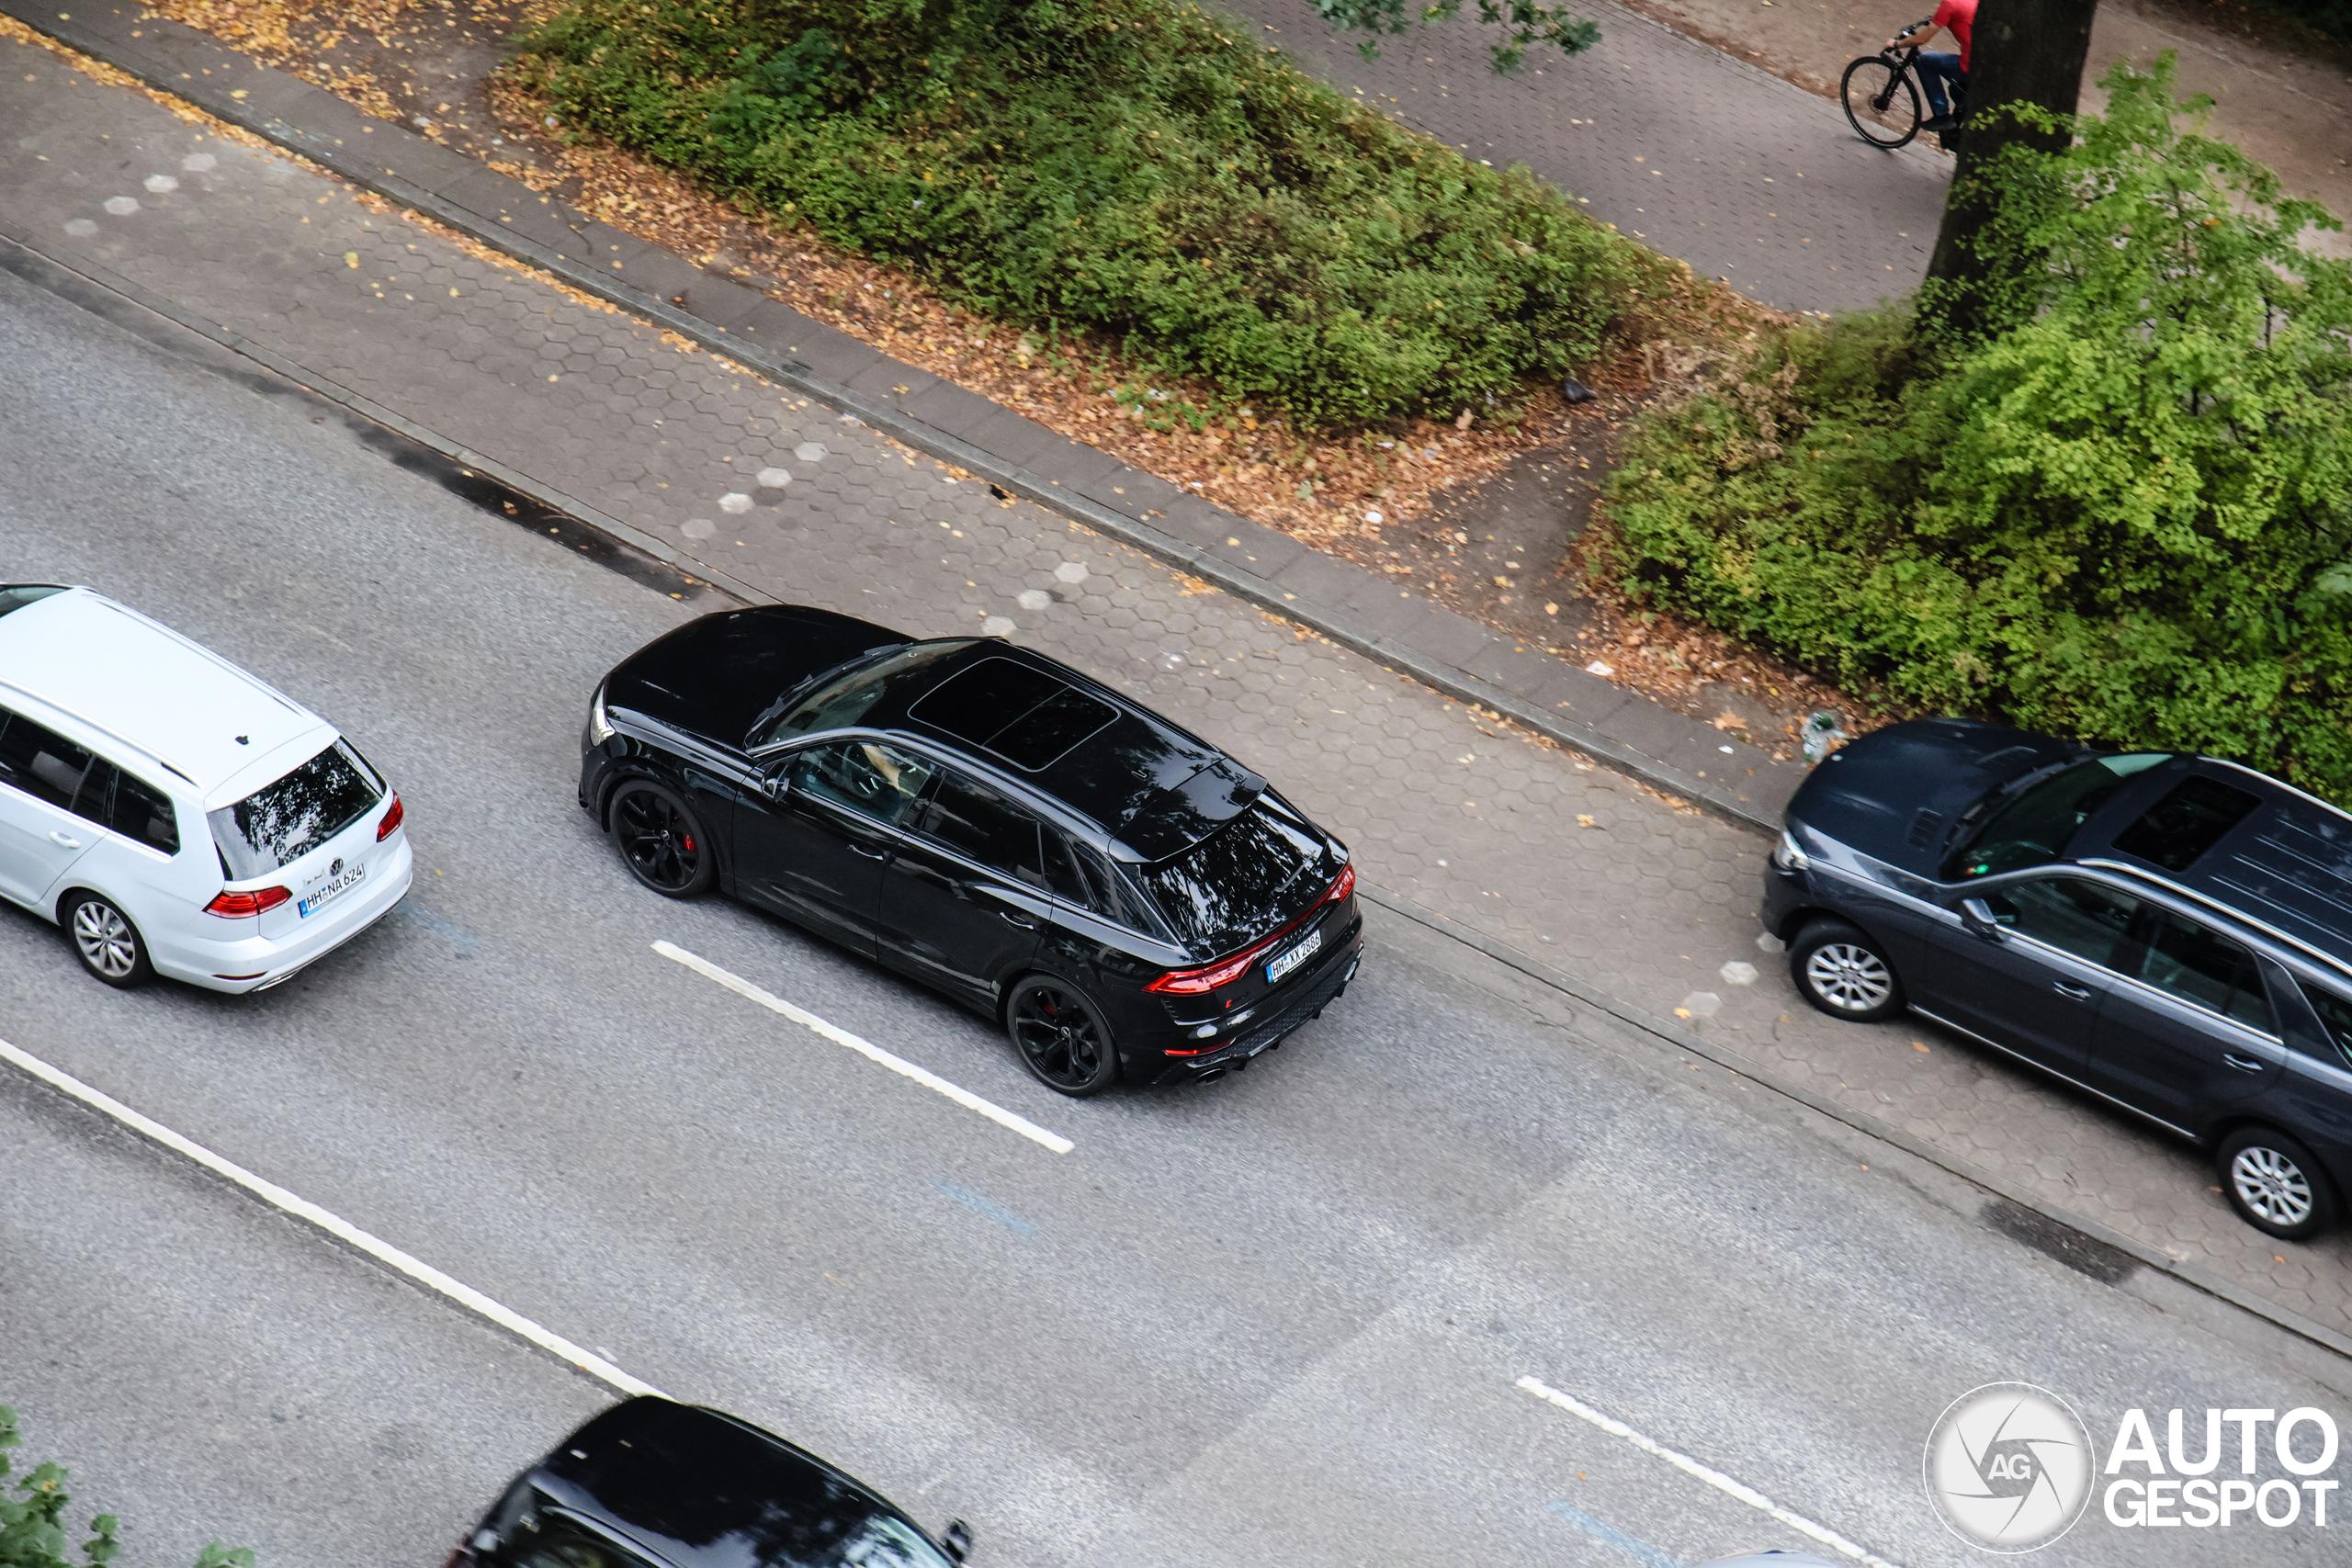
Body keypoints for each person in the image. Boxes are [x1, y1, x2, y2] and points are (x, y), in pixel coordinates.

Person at [1887, 0, 1975, 133]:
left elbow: (1922, 39)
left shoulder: (1950, 4)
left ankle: (1942, 115)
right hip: (1980, 62)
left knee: (1925, 60)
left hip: (1969, 65)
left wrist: (1897, 44)